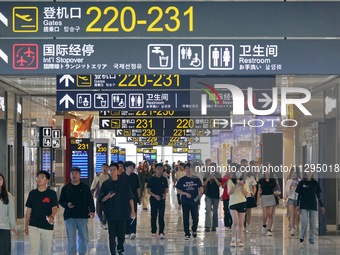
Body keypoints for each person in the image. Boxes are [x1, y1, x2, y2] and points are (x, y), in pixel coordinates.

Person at [99, 163, 136, 255]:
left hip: (122, 213)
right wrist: (108, 196)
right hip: (110, 213)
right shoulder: (105, 184)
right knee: (111, 235)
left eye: (114, 169)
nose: (112, 171)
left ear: (118, 170)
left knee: (121, 234)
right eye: (110, 170)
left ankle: (120, 248)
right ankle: (112, 251)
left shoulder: (124, 183)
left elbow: (130, 197)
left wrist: (132, 210)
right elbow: (101, 199)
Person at [59, 167, 95, 255]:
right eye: (72, 173)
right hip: (70, 216)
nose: (74, 175)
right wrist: (67, 204)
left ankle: (82, 252)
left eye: (76, 173)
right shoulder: (66, 188)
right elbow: (61, 201)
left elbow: (90, 200)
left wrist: (92, 210)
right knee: (71, 238)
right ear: (70, 175)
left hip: (82, 215)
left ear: (80, 175)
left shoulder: (85, 187)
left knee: (83, 237)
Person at [25, 170, 58, 255]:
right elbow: (29, 209)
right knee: (33, 250)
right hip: (33, 225)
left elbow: (54, 207)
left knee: (46, 251)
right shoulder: (32, 193)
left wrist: (52, 216)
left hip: (47, 225)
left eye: (42, 177)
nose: (39, 179)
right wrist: (26, 225)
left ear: (47, 181)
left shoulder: (52, 193)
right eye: (38, 177)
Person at [296, 170, 325, 244]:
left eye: (310, 171)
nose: (309, 172)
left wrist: (322, 206)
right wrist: (297, 205)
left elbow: (318, 195)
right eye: (308, 171)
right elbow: (299, 195)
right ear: (305, 172)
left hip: (313, 205)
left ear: (312, 173)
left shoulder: (315, 183)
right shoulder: (302, 182)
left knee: (312, 223)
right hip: (304, 205)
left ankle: (311, 239)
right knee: (304, 221)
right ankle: (302, 235)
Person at [176, 163, 203, 240]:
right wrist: (185, 193)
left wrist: (200, 193)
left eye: (190, 168)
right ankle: (187, 233)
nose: (188, 170)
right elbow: (178, 190)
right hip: (185, 202)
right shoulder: (182, 180)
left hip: (194, 201)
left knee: (195, 217)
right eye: (187, 168)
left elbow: (200, 187)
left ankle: (194, 229)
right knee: (185, 217)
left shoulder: (196, 179)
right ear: (185, 170)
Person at [228, 170, 250, 247]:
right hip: (233, 203)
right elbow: (230, 192)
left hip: (242, 202)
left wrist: (242, 186)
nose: (239, 173)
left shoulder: (245, 182)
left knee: (241, 223)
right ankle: (233, 239)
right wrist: (237, 185)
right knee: (235, 221)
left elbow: (246, 194)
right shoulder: (230, 181)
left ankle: (239, 239)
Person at [119, 161, 141, 240]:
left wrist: (139, 197)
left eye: (133, 167)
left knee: (133, 214)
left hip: (134, 198)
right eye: (130, 167)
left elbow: (138, 187)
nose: (132, 168)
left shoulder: (135, 176)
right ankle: (126, 231)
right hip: (124, 199)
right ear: (126, 167)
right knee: (125, 215)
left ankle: (133, 232)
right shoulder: (121, 177)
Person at [147, 163, 169, 239]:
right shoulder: (152, 179)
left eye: (161, 169)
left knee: (161, 216)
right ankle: (153, 231)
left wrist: (164, 194)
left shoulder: (164, 179)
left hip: (162, 200)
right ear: (155, 169)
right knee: (153, 215)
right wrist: (155, 196)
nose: (160, 171)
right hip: (153, 200)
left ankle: (161, 232)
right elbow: (148, 191)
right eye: (158, 169)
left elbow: (166, 188)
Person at [257, 169, 277, 236]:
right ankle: (264, 225)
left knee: (270, 214)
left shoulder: (273, 180)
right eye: (266, 171)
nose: (267, 172)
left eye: (268, 171)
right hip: (264, 197)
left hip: (271, 197)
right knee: (265, 214)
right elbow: (259, 191)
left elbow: (275, 189)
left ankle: (269, 229)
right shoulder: (261, 181)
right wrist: (258, 200)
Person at [203, 162, 222, 232]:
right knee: (208, 210)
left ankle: (214, 226)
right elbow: (204, 184)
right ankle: (207, 226)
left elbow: (220, 185)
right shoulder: (206, 174)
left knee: (215, 211)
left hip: (216, 196)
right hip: (208, 195)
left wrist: (215, 179)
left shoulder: (218, 175)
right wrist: (208, 179)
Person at [0, 173, 16, 255]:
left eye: (0, 179)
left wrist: (12, 225)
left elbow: (11, 212)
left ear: (3, 181)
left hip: (4, 227)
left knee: (4, 250)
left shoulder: (7, 195)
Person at [91, 163, 110, 229]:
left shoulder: (109, 176)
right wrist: (92, 191)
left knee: (106, 210)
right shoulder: (98, 176)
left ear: (108, 169)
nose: (104, 169)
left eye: (106, 167)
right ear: (101, 168)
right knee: (98, 210)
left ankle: (104, 222)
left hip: (108, 195)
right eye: (103, 167)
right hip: (99, 195)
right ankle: (102, 219)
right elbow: (94, 184)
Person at [285, 167, 301, 236]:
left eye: (295, 173)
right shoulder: (289, 181)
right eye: (293, 173)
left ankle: (296, 226)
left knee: (297, 215)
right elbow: (287, 192)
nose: (294, 174)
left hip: (298, 199)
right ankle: (292, 229)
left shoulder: (300, 181)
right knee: (292, 214)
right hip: (291, 199)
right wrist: (290, 187)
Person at [242, 167, 257, 233]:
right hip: (242, 196)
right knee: (242, 211)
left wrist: (253, 193)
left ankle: (248, 224)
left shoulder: (251, 178)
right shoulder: (240, 178)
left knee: (249, 211)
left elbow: (254, 186)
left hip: (249, 196)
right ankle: (242, 224)